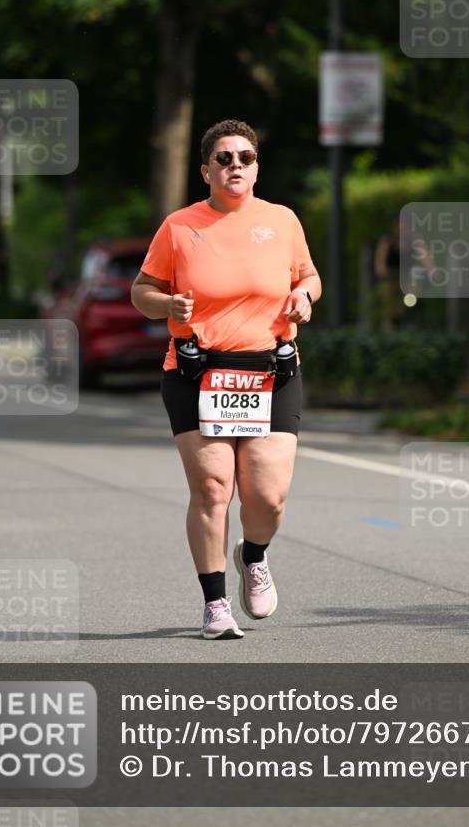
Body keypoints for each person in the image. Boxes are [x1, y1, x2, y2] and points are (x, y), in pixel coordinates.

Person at [131, 119, 321, 639]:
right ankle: (215, 605)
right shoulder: (179, 227)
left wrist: (304, 295)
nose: (234, 165)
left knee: (267, 497)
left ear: (257, 168)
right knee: (214, 487)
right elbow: (141, 290)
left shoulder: (282, 221)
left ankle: (252, 555)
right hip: (197, 371)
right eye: (223, 158)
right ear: (205, 170)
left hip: (270, 371)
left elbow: (307, 274)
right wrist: (167, 302)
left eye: (244, 157)